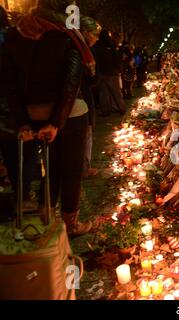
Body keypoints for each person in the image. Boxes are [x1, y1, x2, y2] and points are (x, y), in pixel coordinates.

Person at [2, 0, 95, 236]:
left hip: (32, 115)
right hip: (68, 115)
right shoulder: (65, 35)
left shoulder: (13, 36)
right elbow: (71, 82)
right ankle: (70, 223)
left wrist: (23, 121)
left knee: (50, 168)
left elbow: (9, 85)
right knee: (72, 170)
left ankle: (47, 214)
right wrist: (56, 123)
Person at [0, 5, 39, 213]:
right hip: (16, 106)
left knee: (10, 153)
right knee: (28, 150)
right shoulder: (13, 40)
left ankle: (19, 193)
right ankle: (23, 196)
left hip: (5, 110)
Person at [80, 16, 101, 178]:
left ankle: (82, 166)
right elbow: (89, 79)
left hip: (81, 98)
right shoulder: (81, 51)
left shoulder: (82, 49)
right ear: (86, 32)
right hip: (81, 100)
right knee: (85, 134)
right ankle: (83, 168)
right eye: (94, 34)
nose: (96, 38)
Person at [93, 29, 126, 116]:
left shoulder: (97, 45)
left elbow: (96, 59)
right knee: (116, 92)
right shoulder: (110, 44)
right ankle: (120, 108)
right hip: (112, 72)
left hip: (102, 72)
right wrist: (118, 68)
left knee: (104, 93)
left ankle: (106, 110)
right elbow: (115, 57)